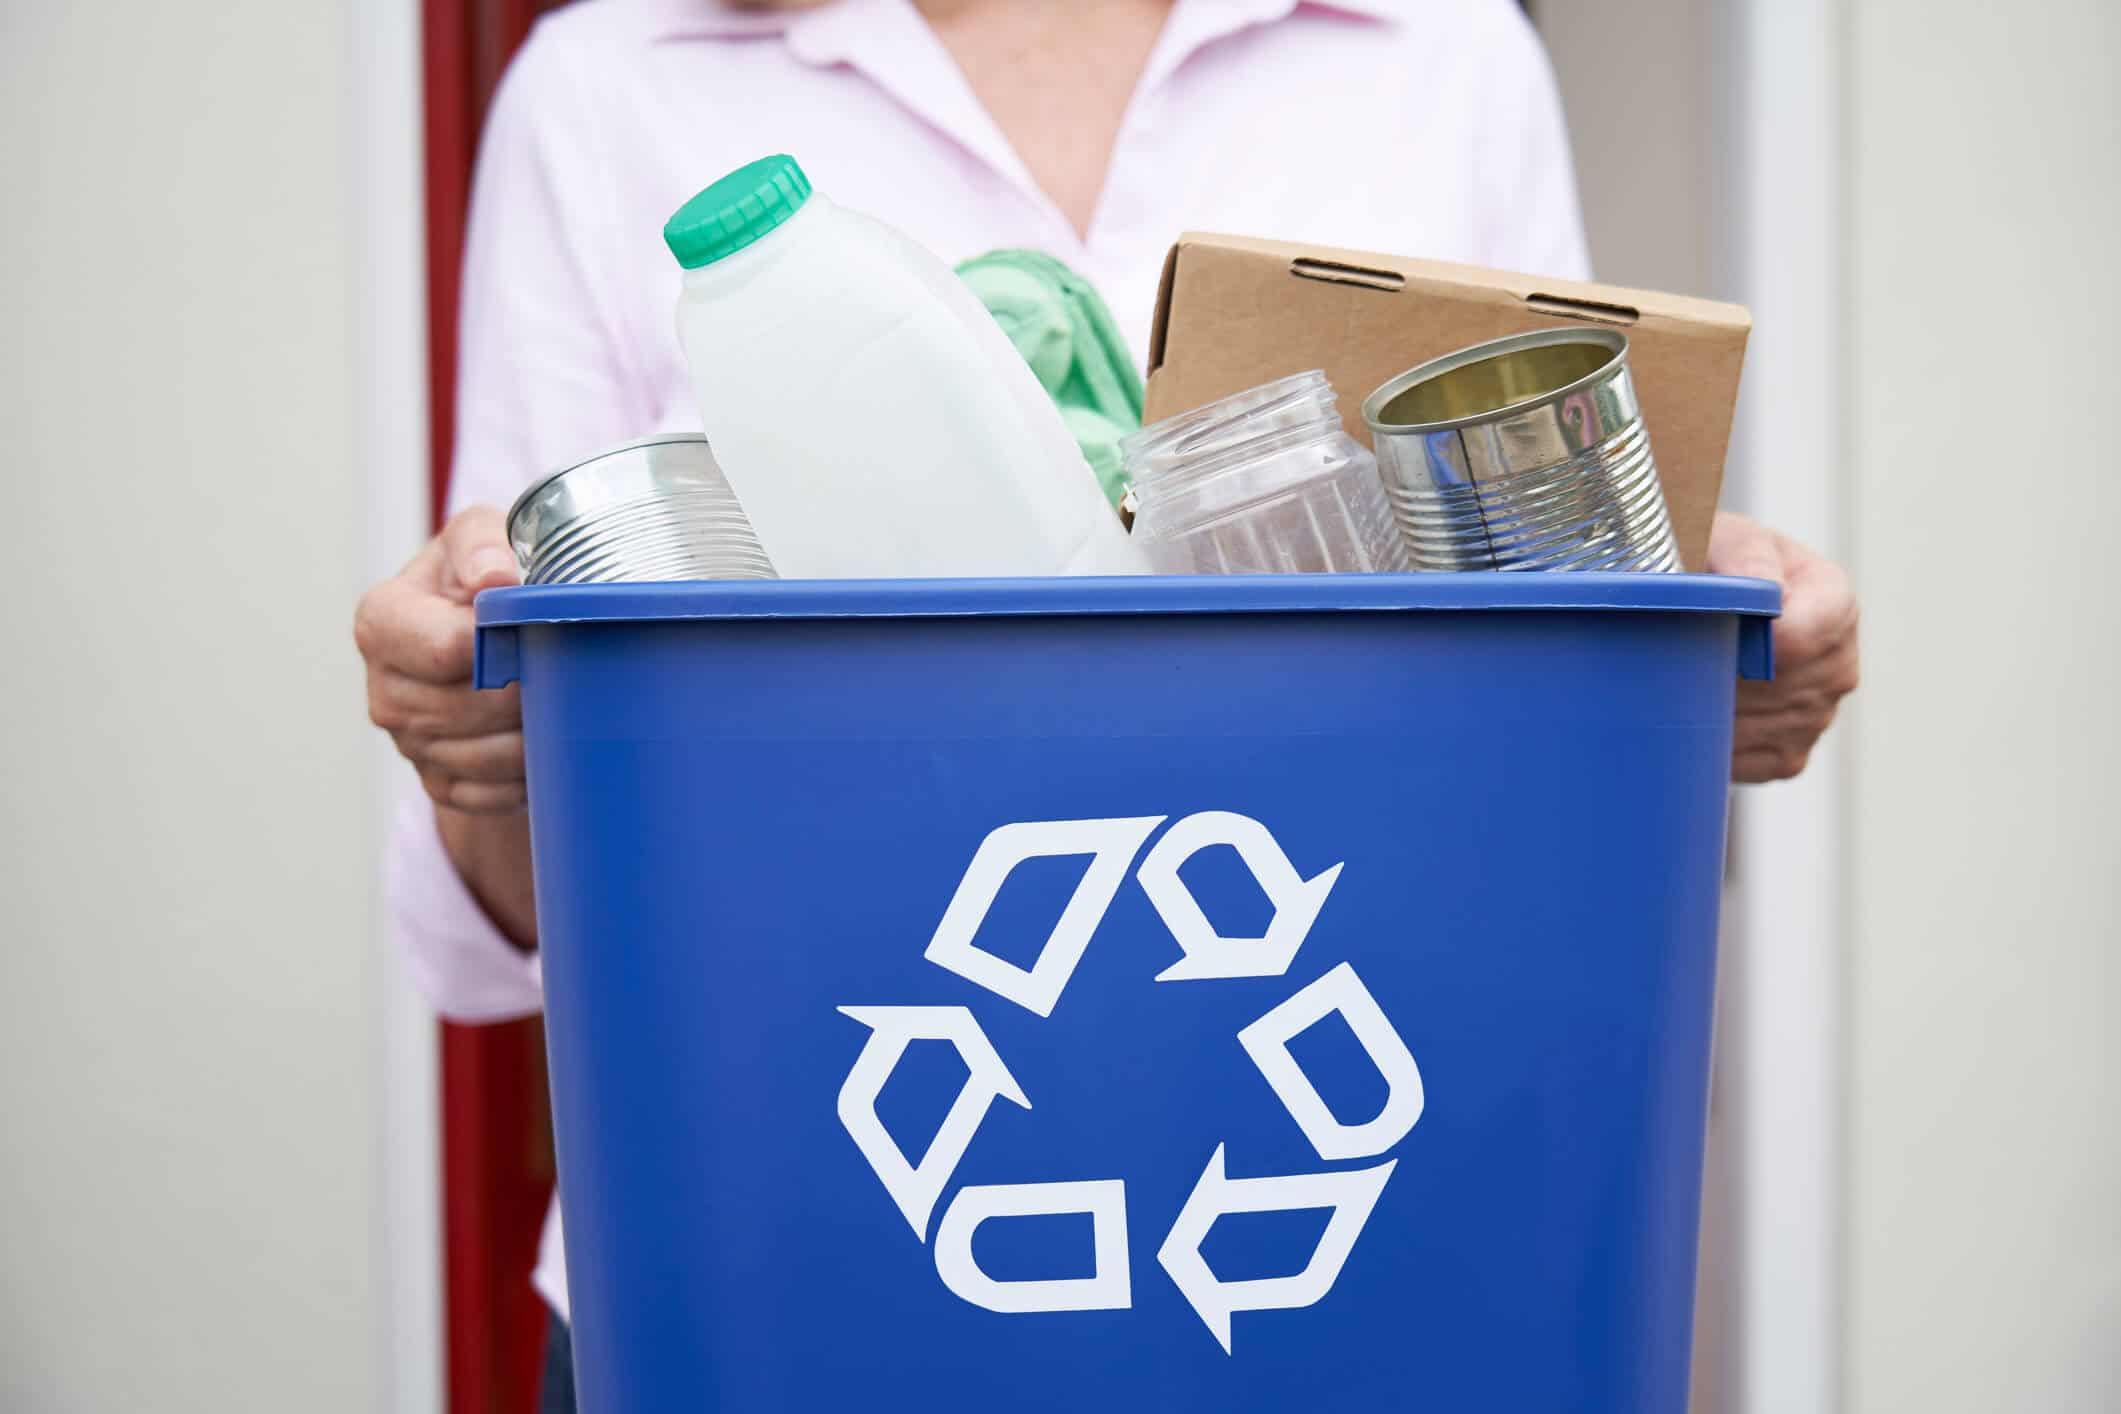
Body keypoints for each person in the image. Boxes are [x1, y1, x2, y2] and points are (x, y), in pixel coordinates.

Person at [353, 1, 1862, 1406]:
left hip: (1404, 1290)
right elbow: (512, 920)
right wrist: (475, 742)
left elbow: (1539, 667)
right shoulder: (612, 80)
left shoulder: (1438, 48)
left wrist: (1672, 635)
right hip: (789, 1291)